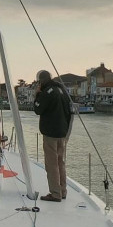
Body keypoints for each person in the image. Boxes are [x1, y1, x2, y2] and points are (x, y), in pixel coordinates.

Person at [31, 70, 73, 202]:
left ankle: (55, 193)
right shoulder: (62, 91)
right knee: (61, 162)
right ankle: (63, 190)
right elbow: (69, 111)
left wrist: (37, 95)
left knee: (51, 164)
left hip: (51, 133)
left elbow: (38, 109)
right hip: (62, 133)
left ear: (41, 81)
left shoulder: (47, 92)